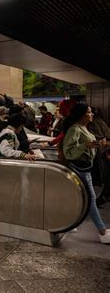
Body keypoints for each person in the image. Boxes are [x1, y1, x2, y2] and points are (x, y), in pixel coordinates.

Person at [63, 103, 109, 244]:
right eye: (89, 112)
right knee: (90, 199)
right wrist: (86, 145)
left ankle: (69, 223)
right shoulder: (74, 129)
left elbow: (86, 145)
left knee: (79, 198)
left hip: (85, 168)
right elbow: (68, 152)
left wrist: (97, 144)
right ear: (83, 114)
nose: (92, 114)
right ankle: (102, 231)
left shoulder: (83, 128)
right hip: (79, 168)